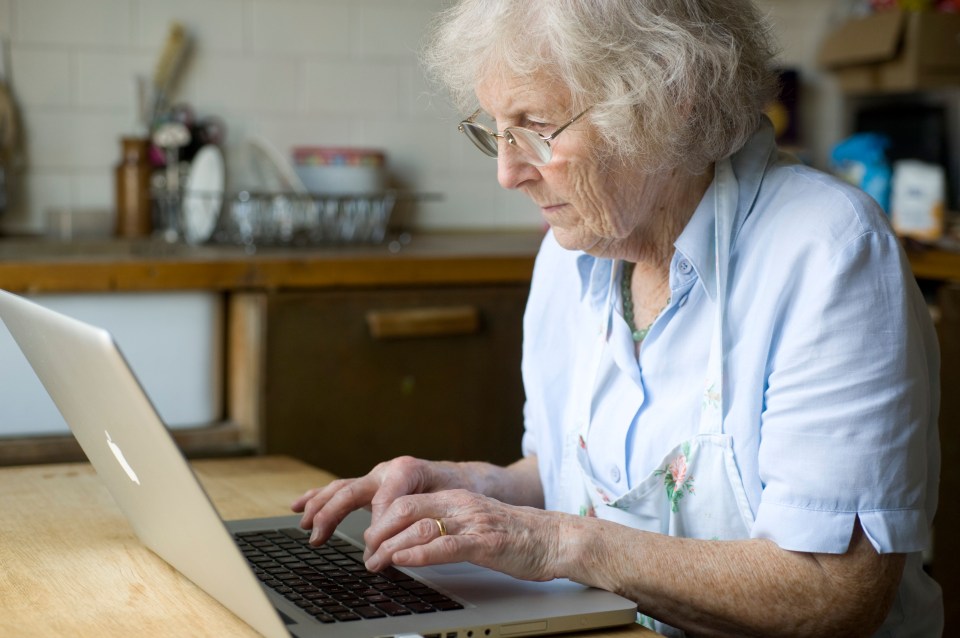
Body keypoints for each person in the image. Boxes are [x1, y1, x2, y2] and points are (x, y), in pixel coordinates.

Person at [293, 1, 942, 635]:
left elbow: (835, 593)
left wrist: (557, 544)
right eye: (495, 128)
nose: (507, 171)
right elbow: (567, 477)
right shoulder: (570, 253)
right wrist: (461, 490)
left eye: (536, 127)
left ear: (668, 101)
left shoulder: (827, 253)